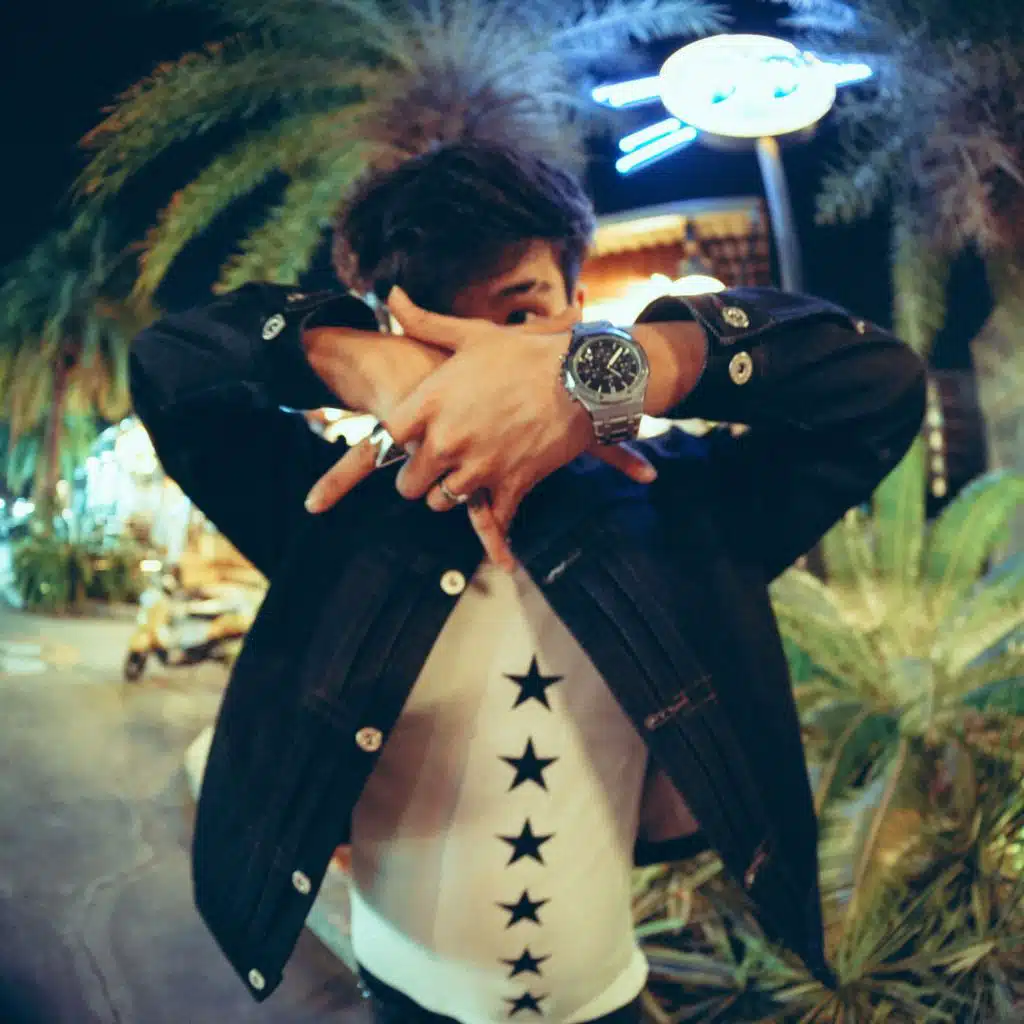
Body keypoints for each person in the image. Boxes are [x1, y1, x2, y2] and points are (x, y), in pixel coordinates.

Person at [129, 141, 927, 1023]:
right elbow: (169, 368)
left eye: (522, 317)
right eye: (438, 330)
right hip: (404, 997)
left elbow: (880, 386)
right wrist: (345, 356)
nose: (489, 372)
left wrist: (613, 374)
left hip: (607, 1000)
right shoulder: (335, 514)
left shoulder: (677, 506)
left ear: (579, 309)